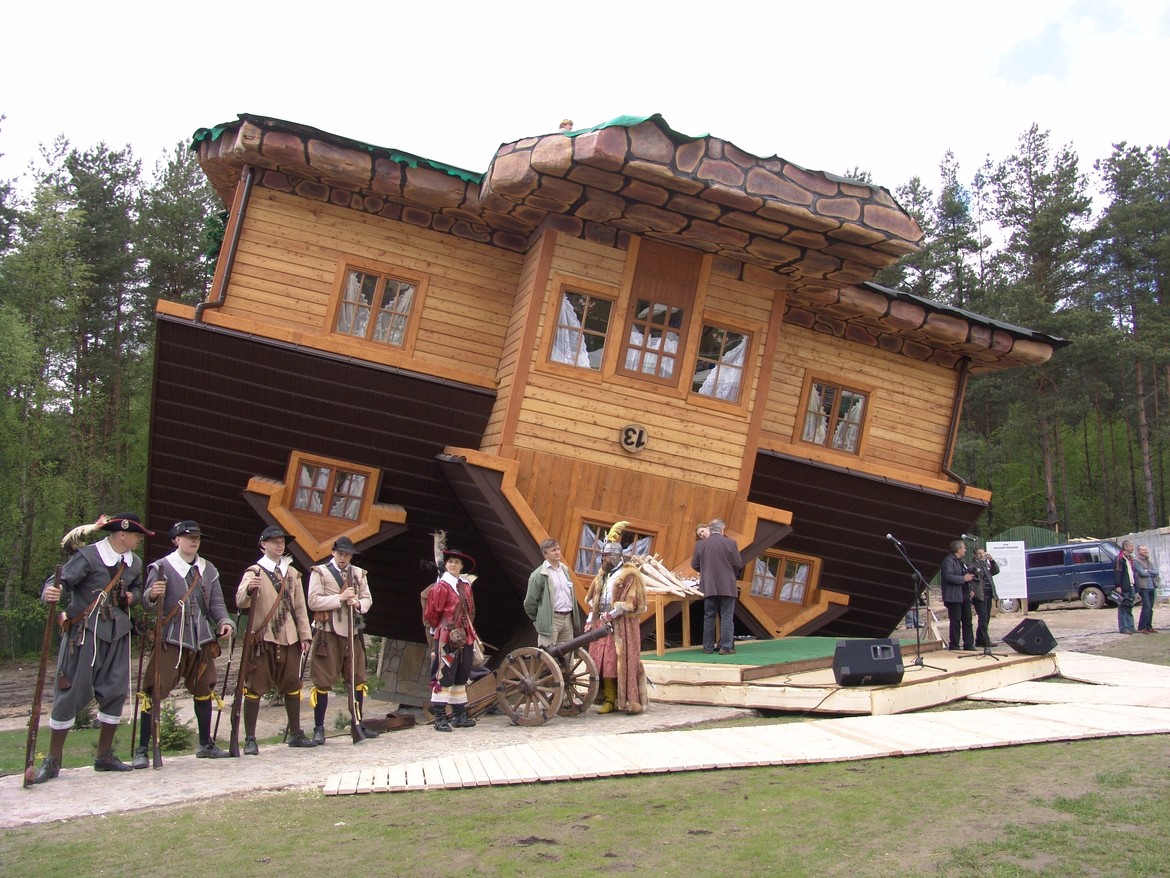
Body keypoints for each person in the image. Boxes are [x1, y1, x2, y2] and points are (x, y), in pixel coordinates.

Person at [32, 512, 153, 783]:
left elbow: (135, 591)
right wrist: (51, 591)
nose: (139, 540)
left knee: (115, 690)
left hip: (119, 634)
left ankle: (104, 755)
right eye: (137, 535)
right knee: (71, 690)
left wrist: (131, 597)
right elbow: (59, 581)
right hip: (84, 635)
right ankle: (53, 759)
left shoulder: (134, 563)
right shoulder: (88, 556)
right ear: (122, 533)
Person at [133, 521, 235, 768]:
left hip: (201, 639)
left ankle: (205, 744)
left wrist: (224, 621)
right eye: (188, 537)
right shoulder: (161, 567)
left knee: (204, 687)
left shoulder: (208, 569)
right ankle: (143, 749)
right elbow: (147, 603)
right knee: (154, 689)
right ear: (176, 540)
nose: (194, 541)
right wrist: (152, 594)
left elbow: (217, 604)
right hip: (170, 638)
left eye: (197, 537)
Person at [235, 525, 316, 752]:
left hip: (289, 638)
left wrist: (304, 635)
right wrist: (249, 590)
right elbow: (240, 601)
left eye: (282, 542)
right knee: (255, 687)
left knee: (292, 684)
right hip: (263, 639)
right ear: (264, 545)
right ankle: (250, 739)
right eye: (274, 542)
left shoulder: (292, 574)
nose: (279, 545)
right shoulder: (254, 572)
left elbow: (300, 608)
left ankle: (296, 733)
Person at [307, 536, 378, 743]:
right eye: (341, 554)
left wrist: (357, 604)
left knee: (357, 677)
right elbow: (313, 601)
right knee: (322, 679)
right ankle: (319, 728)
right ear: (333, 552)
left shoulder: (358, 573)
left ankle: (357, 722)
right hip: (328, 631)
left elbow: (367, 599)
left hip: (352, 631)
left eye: (347, 554)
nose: (344, 558)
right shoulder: (320, 572)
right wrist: (339, 598)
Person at [583, 522, 648, 714]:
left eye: (605, 556)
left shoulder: (629, 576)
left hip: (620, 626)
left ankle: (618, 700)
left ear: (615, 556)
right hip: (600, 626)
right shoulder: (601, 576)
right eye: (602, 556)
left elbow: (633, 603)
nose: (602, 559)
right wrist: (590, 619)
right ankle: (606, 697)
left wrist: (611, 614)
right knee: (599, 662)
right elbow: (594, 600)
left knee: (615, 662)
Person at [423, 547, 479, 731]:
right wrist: (442, 630)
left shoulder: (465, 586)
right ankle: (440, 718)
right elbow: (432, 613)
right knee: (444, 674)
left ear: (462, 566)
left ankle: (459, 715)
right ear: (446, 565)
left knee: (461, 674)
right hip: (447, 635)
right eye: (450, 561)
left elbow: (470, 610)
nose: (453, 564)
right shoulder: (442, 586)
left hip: (465, 635)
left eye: (456, 562)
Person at [691, 519, 743, 655]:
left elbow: (694, 564)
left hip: (708, 586)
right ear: (722, 529)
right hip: (727, 585)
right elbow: (738, 563)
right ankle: (726, 647)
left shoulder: (700, 544)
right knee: (726, 616)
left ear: (710, 528)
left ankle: (707, 647)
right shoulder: (730, 543)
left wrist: (706, 571)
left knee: (709, 616)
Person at [524, 538, 580, 649]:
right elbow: (529, 603)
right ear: (545, 554)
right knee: (547, 657)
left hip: (567, 619)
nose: (557, 552)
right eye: (553, 550)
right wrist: (541, 618)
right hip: (551, 620)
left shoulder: (565, 570)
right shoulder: (538, 575)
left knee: (568, 656)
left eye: (558, 549)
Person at [940, 539, 975, 651]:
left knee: (968, 620)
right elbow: (948, 576)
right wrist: (963, 579)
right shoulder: (948, 560)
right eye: (964, 548)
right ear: (959, 549)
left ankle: (968, 644)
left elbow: (965, 575)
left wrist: (970, 588)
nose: (965, 550)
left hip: (964, 594)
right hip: (954, 596)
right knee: (955, 621)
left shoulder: (961, 561)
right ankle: (954, 644)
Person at [968, 547, 999, 649]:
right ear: (975, 555)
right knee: (983, 617)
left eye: (983, 553)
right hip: (979, 594)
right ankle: (985, 641)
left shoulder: (986, 564)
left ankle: (979, 640)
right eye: (979, 553)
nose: (982, 555)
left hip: (988, 593)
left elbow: (995, 571)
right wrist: (979, 565)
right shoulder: (974, 564)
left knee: (986, 617)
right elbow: (973, 570)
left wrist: (992, 561)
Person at [1112, 540, 1138, 634]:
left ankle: (1130, 626)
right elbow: (1117, 572)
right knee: (1123, 606)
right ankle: (1123, 627)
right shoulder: (1119, 558)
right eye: (1131, 546)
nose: (1133, 548)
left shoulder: (1130, 558)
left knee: (1130, 606)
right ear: (1125, 547)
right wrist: (1118, 585)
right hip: (1124, 586)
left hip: (1131, 585)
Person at [1133, 544, 1160, 634]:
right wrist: (1148, 572)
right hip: (1144, 587)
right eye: (1143, 550)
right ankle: (1142, 627)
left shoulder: (1148, 561)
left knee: (1151, 607)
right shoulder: (1136, 561)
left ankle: (1149, 626)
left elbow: (1156, 572)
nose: (1146, 551)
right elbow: (1142, 573)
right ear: (1139, 551)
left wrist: (1148, 570)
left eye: (1146, 549)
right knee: (1146, 606)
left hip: (1152, 586)